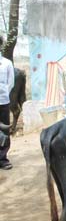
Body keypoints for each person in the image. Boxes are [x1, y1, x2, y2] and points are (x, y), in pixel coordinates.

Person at [0, 36, 14, 170]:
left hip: (3, 101)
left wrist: (4, 92)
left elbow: (11, 82)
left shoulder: (7, 63)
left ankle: (3, 158)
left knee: (4, 130)